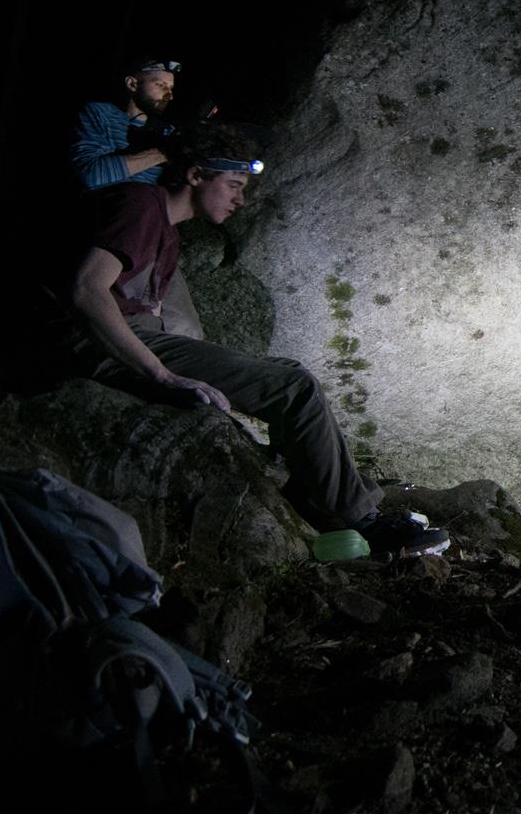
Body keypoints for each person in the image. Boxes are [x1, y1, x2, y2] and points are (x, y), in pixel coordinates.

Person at [61, 121, 448, 557]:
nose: (240, 199)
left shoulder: (164, 230)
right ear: (195, 175)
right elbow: (87, 290)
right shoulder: (140, 205)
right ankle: (366, 522)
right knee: (293, 387)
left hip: (130, 338)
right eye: (233, 184)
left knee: (288, 372)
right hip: (92, 345)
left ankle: (313, 492)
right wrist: (163, 377)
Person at [70, 58, 180, 190]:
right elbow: (90, 175)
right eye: (160, 85)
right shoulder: (100, 114)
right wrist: (163, 152)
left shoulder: (168, 131)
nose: (169, 95)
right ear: (132, 84)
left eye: (171, 88)